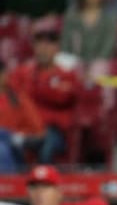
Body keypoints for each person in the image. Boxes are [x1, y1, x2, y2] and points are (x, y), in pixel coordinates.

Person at [8, 22, 81, 164]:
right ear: (34, 47)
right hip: (24, 127)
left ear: (57, 47)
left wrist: (40, 85)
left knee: (46, 143)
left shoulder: (66, 75)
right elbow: (12, 97)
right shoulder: (21, 72)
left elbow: (62, 97)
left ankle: (43, 181)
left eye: (49, 44)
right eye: (40, 43)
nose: (44, 48)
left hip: (54, 131)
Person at [61, 0, 117, 66]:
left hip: (100, 67)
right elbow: (65, 48)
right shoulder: (71, 16)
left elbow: (107, 51)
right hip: (73, 65)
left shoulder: (111, 18)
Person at [0, 60, 45, 173]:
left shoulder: (19, 100)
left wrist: (18, 137)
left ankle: (7, 188)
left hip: (14, 148)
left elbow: (38, 133)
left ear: (5, 75)